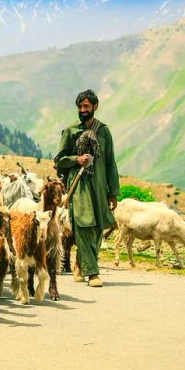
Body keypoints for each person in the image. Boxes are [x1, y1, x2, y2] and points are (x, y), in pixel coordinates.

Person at [54, 89, 120, 287]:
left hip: (99, 186)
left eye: (86, 106)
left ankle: (79, 264)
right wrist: (77, 159)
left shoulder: (104, 131)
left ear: (95, 107)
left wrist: (113, 192)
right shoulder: (71, 131)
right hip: (79, 185)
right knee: (84, 224)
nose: (82, 110)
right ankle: (93, 273)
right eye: (80, 107)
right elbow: (59, 160)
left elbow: (110, 162)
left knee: (99, 226)